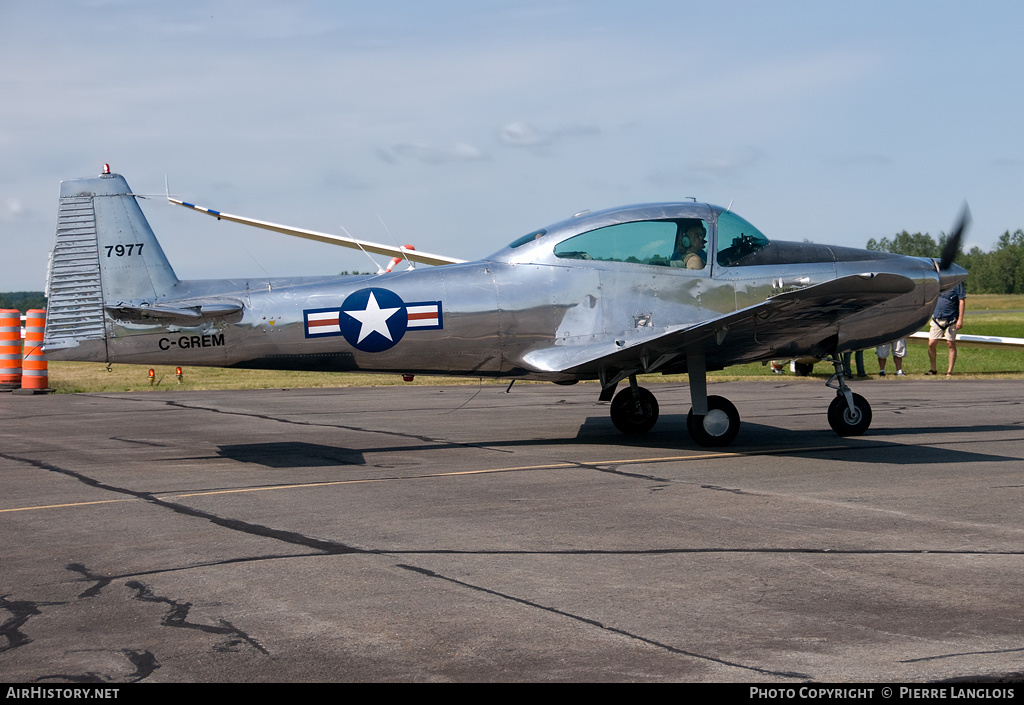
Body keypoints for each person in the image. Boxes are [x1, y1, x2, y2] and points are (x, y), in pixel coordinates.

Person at [928, 282, 966, 376]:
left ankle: (949, 371)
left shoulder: (957, 283)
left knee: (950, 343)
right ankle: (933, 369)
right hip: (937, 318)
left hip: (951, 319)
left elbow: (961, 300)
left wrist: (960, 319)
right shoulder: (937, 282)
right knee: (931, 343)